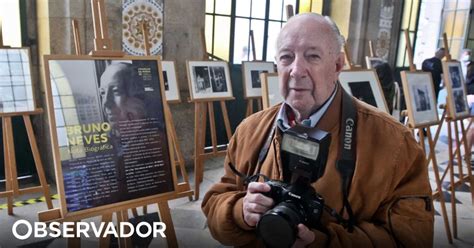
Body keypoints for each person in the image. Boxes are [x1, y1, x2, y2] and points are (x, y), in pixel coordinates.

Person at [202, 13, 433, 247]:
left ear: (337, 65)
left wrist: (324, 242)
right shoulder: (250, 130)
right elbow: (215, 205)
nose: (296, 70)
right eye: (286, 57)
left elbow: (411, 239)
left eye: (312, 56)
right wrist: (240, 211)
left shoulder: (395, 144)